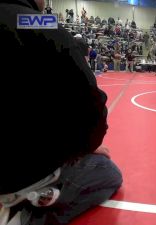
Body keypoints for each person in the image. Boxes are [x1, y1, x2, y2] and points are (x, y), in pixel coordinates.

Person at [0, 0, 123, 224]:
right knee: (107, 171)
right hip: (25, 167)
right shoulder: (38, 23)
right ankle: (29, 216)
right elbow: (91, 111)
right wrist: (86, 147)